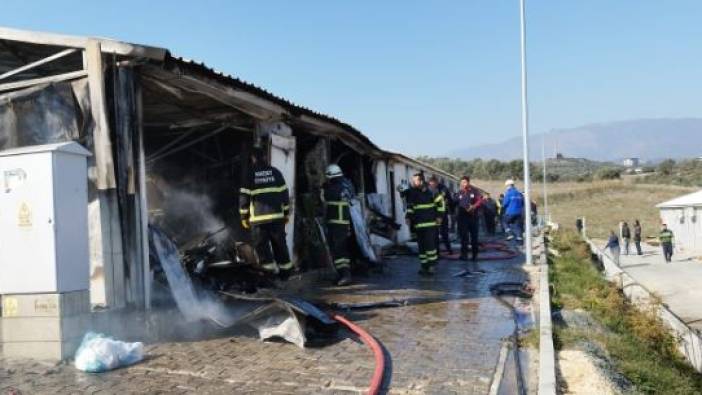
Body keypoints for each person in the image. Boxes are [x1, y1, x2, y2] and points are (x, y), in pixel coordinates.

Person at [239, 147, 293, 280]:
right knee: (280, 245)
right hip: (277, 218)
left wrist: (244, 217)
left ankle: (269, 274)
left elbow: (244, 198)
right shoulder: (276, 172)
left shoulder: (250, 174)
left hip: (259, 221)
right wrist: (285, 213)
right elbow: (285, 195)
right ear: (264, 157)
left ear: (253, 158)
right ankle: (285, 274)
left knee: (262, 248)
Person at [321, 164, 355, 286]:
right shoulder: (346, 185)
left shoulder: (335, 187)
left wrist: (323, 189)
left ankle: (346, 275)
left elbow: (327, 197)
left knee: (339, 250)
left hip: (337, 222)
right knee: (340, 250)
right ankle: (342, 274)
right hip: (341, 222)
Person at [406, 172, 444, 275]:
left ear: (421, 181)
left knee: (430, 246)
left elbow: (441, 204)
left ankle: (431, 266)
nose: (414, 182)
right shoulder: (412, 192)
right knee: (421, 247)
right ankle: (424, 266)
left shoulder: (431, 191)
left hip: (430, 224)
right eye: (413, 180)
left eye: (416, 180)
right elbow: (410, 206)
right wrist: (408, 217)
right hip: (418, 225)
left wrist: (440, 216)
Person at [454, 176, 483, 261]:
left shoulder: (475, 191)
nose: (463, 184)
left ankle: (475, 256)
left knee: (474, 237)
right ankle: (464, 255)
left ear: (468, 182)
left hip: (473, 218)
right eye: (462, 182)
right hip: (462, 219)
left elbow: (480, 201)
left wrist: (473, 207)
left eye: (465, 182)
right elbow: (454, 202)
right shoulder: (459, 193)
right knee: (464, 237)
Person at [428, 176, 453, 254]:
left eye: (433, 184)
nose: (432, 185)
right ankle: (437, 252)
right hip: (433, 214)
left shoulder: (443, 188)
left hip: (442, 214)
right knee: (434, 234)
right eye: (430, 184)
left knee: (444, 233)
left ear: (436, 182)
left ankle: (449, 250)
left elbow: (445, 198)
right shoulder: (428, 189)